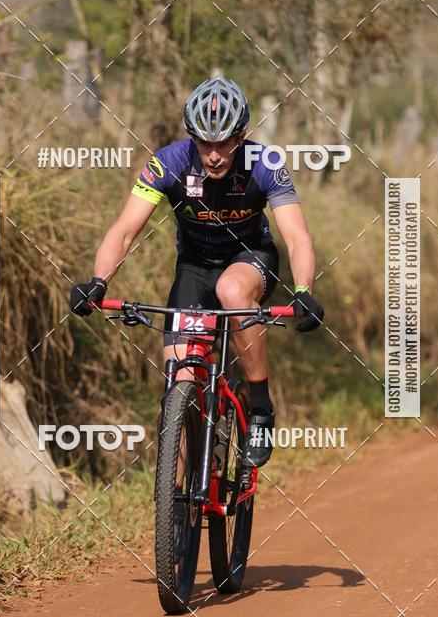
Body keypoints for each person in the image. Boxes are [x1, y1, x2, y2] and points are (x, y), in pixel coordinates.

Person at [70, 74, 323, 467]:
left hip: (251, 260)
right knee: (179, 380)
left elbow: (297, 236)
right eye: (205, 143)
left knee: (232, 291)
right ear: (192, 138)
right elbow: (123, 232)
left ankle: (259, 407)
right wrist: (99, 283)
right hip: (194, 268)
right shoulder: (168, 163)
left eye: (224, 143)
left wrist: (304, 290)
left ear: (241, 137)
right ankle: (176, 504)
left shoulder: (266, 164)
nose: (215, 155)